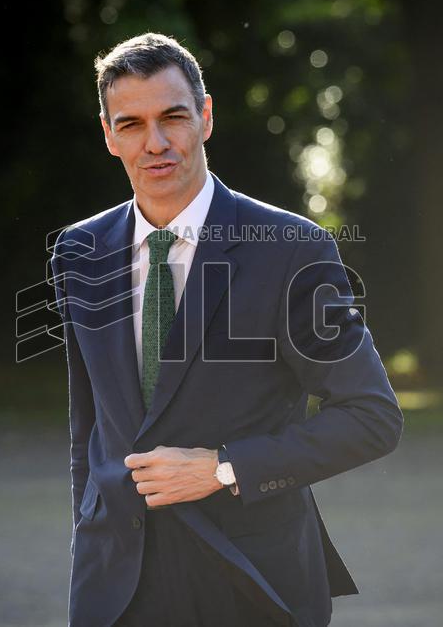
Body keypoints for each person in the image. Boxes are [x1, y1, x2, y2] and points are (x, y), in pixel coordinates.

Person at [49, 32, 403, 627]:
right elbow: (90, 426)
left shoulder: (293, 249)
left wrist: (222, 467)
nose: (155, 143)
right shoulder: (78, 251)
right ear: (108, 134)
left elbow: (373, 417)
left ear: (205, 117)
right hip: (115, 588)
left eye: (173, 117)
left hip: (252, 581)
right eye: (131, 124)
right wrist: (92, 536)